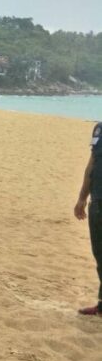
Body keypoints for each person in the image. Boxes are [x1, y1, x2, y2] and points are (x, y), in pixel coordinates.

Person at [73, 121, 102, 316]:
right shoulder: (99, 129)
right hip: (98, 201)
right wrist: (82, 197)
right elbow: (91, 164)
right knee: (99, 253)